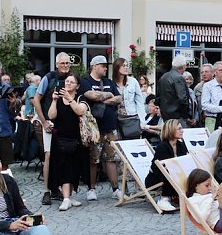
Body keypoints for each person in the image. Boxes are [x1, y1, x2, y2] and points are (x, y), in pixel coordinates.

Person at [78, 56, 122, 201]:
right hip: (94, 128)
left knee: (111, 158)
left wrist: (104, 97)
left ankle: (115, 189)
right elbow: (91, 95)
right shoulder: (85, 81)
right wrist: (109, 95)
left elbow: (119, 98)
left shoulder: (108, 82)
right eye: (103, 66)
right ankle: (91, 188)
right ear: (95, 66)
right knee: (93, 159)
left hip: (110, 126)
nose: (105, 68)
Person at [32, 52, 73, 205]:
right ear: (56, 64)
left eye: (68, 63)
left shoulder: (71, 79)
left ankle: (62, 190)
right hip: (50, 123)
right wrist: (43, 122)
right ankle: (46, 191)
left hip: (65, 124)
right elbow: (36, 100)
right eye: (62, 63)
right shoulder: (48, 78)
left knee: (65, 157)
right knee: (49, 156)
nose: (65, 66)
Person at [47, 75, 89, 211]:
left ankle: (69, 196)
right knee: (64, 168)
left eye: (72, 82)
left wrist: (70, 99)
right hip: (60, 138)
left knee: (73, 168)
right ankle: (65, 198)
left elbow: (80, 111)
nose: (68, 84)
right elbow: (51, 116)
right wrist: (54, 100)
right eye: (67, 82)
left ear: (77, 86)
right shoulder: (58, 98)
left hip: (75, 138)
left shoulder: (80, 98)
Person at [143, 119, 189, 213]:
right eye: (179, 129)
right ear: (171, 131)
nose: (182, 131)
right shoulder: (162, 147)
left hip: (172, 175)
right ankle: (164, 198)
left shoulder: (181, 145)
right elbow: (164, 169)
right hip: (156, 178)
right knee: (171, 173)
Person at [112, 57, 148, 134]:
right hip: (117, 118)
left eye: (127, 65)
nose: (126, 67)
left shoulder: (132, 81)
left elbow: (139, 102)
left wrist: (142, 121)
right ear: (117, 67)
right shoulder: (111, 83)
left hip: (131, 117)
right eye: (123, 66)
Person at [156, 55, 191, 128]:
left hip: (166, 117)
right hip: (177, 116)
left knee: (170, 137)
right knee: (181, 136)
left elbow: (158, 97)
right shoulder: (179, 78)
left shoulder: (163, 77)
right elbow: (182, 98)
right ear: (184, 66)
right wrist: (186, 115)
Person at [201, 61, 222, 132]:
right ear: (215, 72)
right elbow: (204, 105)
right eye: (220, 70)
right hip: (212, 119)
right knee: (213, 141)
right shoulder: (208, 86)